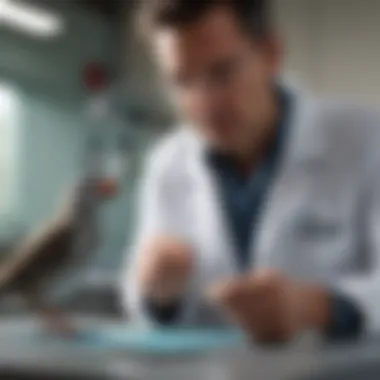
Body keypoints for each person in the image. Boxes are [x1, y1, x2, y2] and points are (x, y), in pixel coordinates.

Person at [122, 0, 380, 343]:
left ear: (271, 55)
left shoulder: (364, 140)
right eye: (182, 82)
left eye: (222, 72)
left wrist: (318, 308)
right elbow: (143, 305)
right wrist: (159, 295)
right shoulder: (167, 163)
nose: (205, 103)